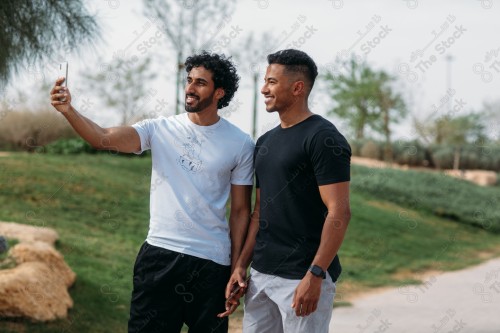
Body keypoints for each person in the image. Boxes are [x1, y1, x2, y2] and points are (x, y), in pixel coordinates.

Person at [50, 52, 254, 333]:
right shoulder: (159, 128)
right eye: (189, 80)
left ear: (220, 92)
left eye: (201, 83)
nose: (190, 88)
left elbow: (241, 211)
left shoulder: (241, 143)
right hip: (160, 256)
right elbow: (102, 137)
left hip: (212, 264)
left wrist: (235, 267)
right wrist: (69, 110)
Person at [220, 49, 352, 333]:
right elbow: (260, 212)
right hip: (261, 275)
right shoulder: (265, 141)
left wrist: (315, 275)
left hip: (301, 276)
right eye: (265, 81)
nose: (263, 89)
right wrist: (241, 266)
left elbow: (339, 212)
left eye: (271, 82)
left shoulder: (324, 138)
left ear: (297, 87)